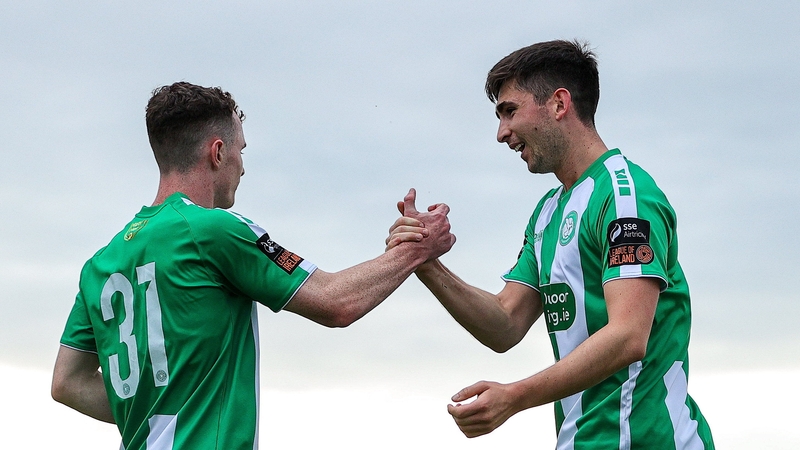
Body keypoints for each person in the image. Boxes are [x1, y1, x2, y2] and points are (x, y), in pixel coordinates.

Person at [51, 81, 455, 450]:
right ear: (218, 152)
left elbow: (67, 384)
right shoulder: (212, 229)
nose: (243, 167)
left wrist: (155, 412)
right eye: (241, 151)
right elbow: (336, 302)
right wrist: (418, 248)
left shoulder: (100, 264)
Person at [387, 40, 715, 448]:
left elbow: (629, 334)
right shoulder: (548, 212)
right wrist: (423, 261)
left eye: (509, 111)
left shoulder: (623, 196)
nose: (501, 133)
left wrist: (514, 397)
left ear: (559, 104)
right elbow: (505, 323)